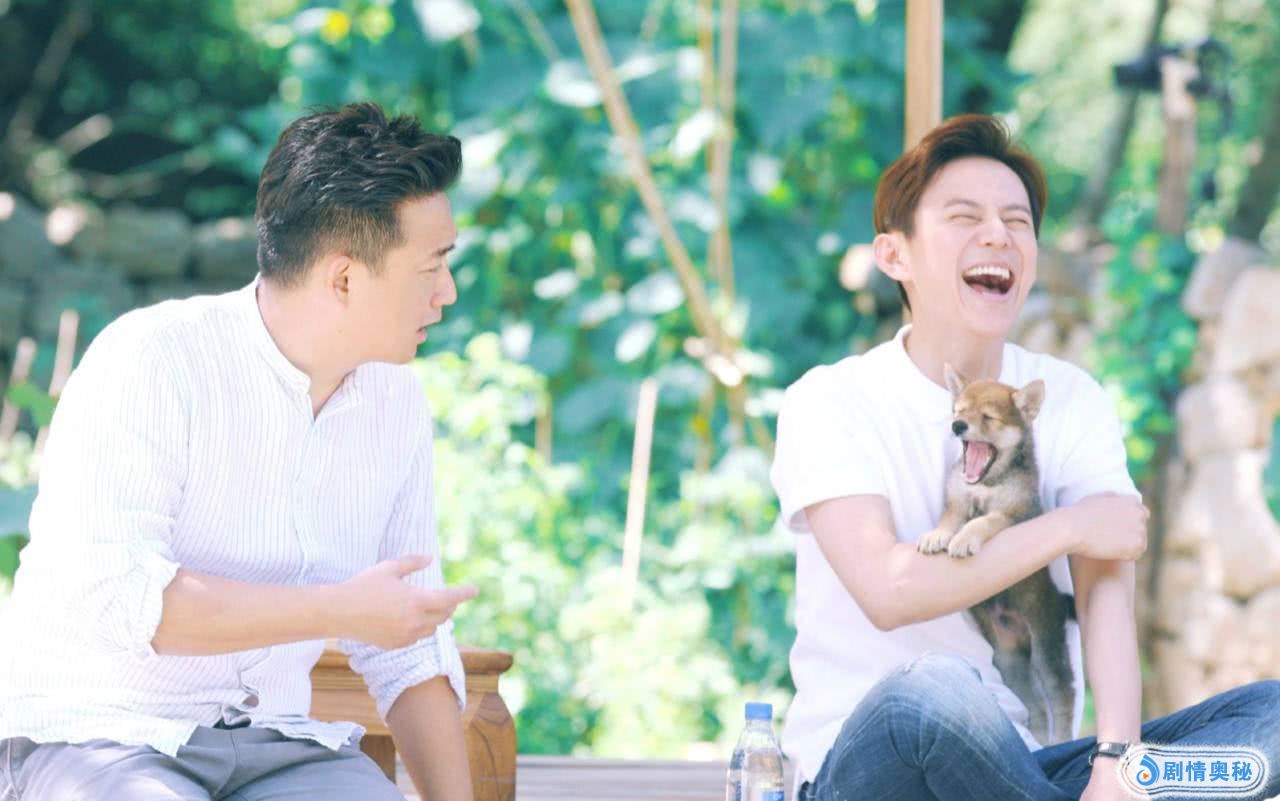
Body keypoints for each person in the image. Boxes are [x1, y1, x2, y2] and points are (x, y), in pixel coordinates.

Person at [770, 113, 1280, 801]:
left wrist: (1116, 764)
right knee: (934, 690)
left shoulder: (1069, 397)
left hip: (1027, 771)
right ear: (895, 256)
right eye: (964, 217)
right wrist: (1069, 527)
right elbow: (891, 592)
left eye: (1017, 221)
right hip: (871, 769)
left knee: (1271, 716)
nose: (998, 235)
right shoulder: (831, 400)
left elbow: (1103, 592)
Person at [0, 102, 479, 801]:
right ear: (344, 278)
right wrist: (338, 608)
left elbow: (408, 647)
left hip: (280, 748)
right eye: (432, 267)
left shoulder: (395, 400)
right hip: (100, 735)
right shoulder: (153, 360)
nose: (448, 292)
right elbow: (126, 602)